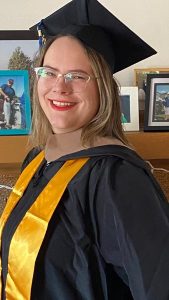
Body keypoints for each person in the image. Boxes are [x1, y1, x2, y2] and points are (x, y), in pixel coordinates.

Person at [0, 1, 169, 299]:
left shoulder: (118, 178)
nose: (59, 88)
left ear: (102, 88)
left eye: (77, 76)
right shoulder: (38, 159)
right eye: (49, 72)